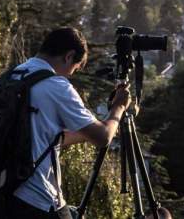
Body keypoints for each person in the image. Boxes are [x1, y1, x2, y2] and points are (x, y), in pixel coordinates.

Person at [9, 27, 131, 219]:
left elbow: (42, 138)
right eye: (74, 68)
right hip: (37, 200)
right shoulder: (56, 86)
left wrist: (87, 130)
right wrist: (119, 107)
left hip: (1, 194)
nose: (70, 76)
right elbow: (103, 137)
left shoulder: (13, 76)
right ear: (69, 56)